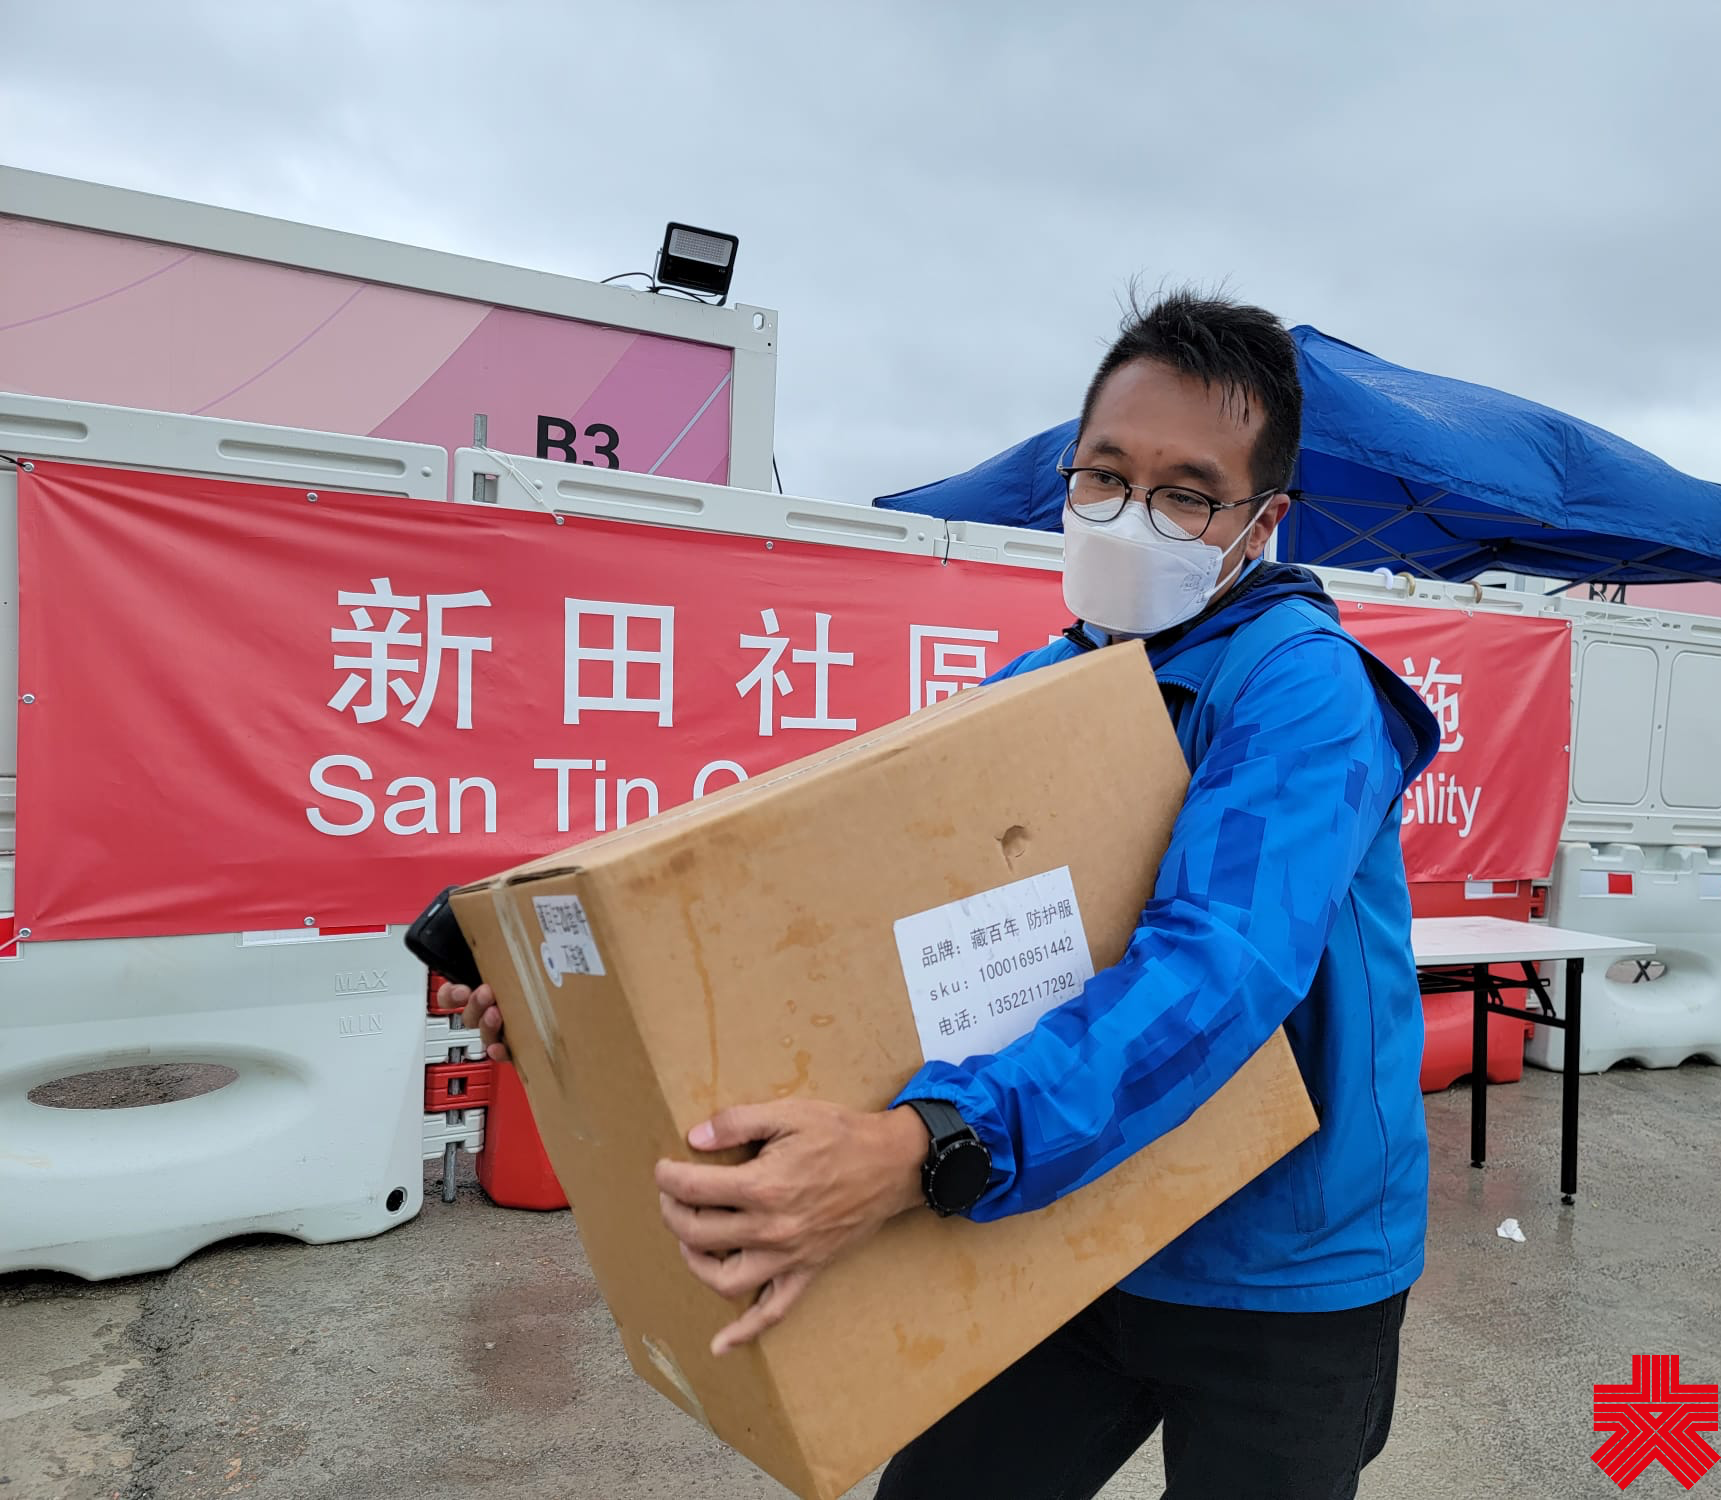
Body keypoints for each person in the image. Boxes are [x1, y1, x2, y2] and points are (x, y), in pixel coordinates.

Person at [451, 291, 1441, 1499]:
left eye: (1185, 493)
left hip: (1280, 1259)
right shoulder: (1050, 680)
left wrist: (926, 1147)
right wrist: (585, 990)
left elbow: (1215, 968)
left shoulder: (1299, 687)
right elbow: (854, 899)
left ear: (1261, 520)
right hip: (1078, 1206)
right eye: (1105, 476)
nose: (1131, 515)